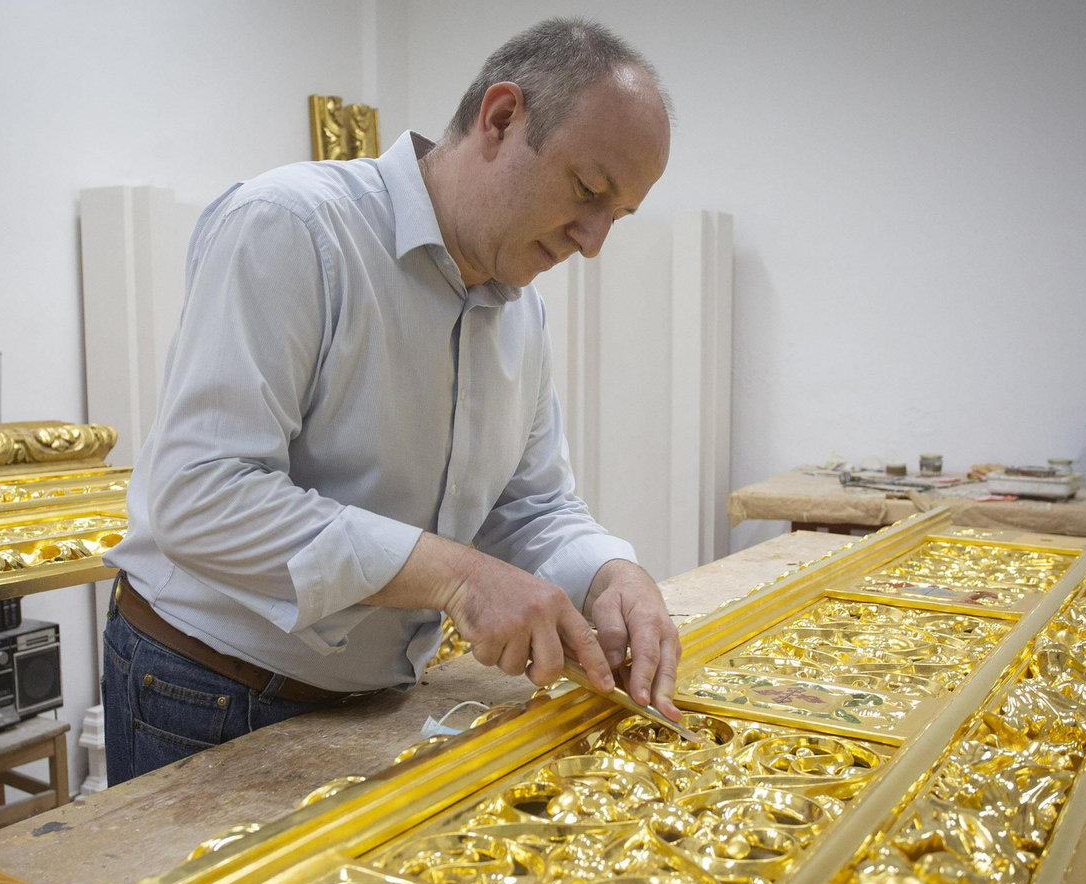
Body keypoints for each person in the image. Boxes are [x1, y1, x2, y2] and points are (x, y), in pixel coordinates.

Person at [101, 17, 678, 785]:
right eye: (588, 190)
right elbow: (199, 495)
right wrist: (459, 577)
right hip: (206, 690)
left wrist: (610, 574)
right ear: (501, 118)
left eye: (618, 216)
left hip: (373, 701)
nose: (593, 240)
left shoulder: (522, 312)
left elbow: (530, 507)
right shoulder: (293, 227)